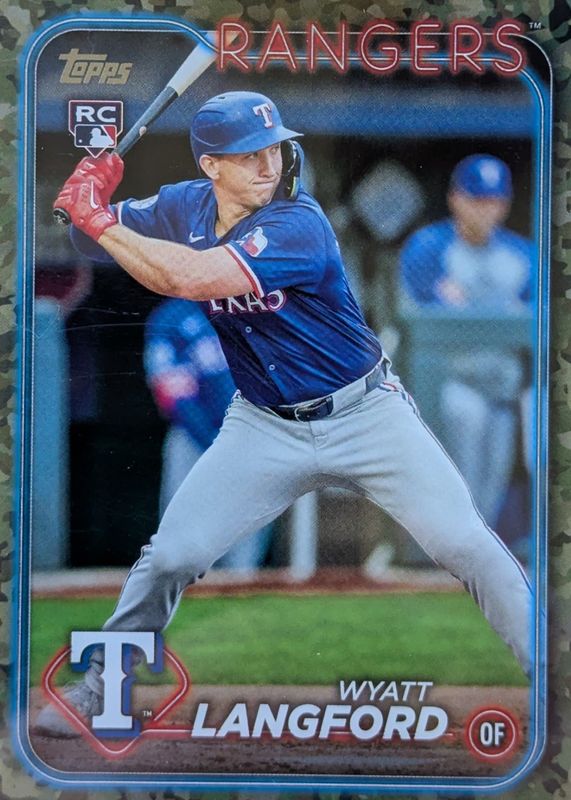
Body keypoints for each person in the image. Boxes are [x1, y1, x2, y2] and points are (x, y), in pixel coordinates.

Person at [36, 92, 532, 737]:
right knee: (172, 555)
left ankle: (552, 676)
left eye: (273, 148)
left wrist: (101, 221)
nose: (268, 164)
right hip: (263, 424)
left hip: (365, 415)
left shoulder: (299, 221)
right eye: (249, 155)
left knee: (465, 542)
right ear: (211, 166)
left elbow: (190, 278)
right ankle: (100, 688)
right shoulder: (183, 206)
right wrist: (90, 197)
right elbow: (88, 238)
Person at [400, 155, 533, 530]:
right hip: (451, 387)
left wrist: (470, 305)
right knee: (459, 486)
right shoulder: (429, 247)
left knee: (489, 494)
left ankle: (470, 558)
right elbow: (421, 317)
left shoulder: (521, 256)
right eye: (476, 199)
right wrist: (500, 311)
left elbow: (535, 321)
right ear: (455, 199)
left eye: (493, 200)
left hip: (502, 390)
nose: (485, 209)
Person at [144, 297, 273, 570]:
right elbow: (172, 393)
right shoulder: (171, 316)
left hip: (250, 439)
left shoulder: (251, 307)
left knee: (244, 550)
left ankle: (240, 591)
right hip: (193, 440)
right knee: (181, 542)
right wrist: (217, 444)